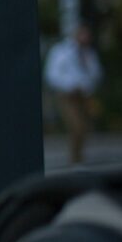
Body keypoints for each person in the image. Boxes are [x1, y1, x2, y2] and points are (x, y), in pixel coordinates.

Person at [44, 25, 102, 164]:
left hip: (84, 96)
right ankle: (75, 160)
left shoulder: (89, 54)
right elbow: (52, 74)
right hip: (68, 96)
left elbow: (97, 74)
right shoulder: (61, 51)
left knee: (85, 128)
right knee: (77, 126)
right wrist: (68, 86)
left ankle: (78, 158)